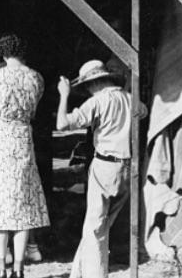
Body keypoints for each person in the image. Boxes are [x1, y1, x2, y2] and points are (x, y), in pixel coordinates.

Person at [56, 60, 148, 278]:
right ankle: (78, 273)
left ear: (92, 83)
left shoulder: (97, 101)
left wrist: (63, 95)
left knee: (95, 228)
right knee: (99, 226)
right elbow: (143, 111)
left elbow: (62, 124)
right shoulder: (130, 99)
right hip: (128, 166)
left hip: (105, 166)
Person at [0, 33, 50, 278]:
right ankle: (18, 269)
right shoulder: (35, 77)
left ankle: (1, 267)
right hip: (23, 139)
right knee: (22, 204)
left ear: (2, 53)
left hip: (0, 140)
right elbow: (32, 111)